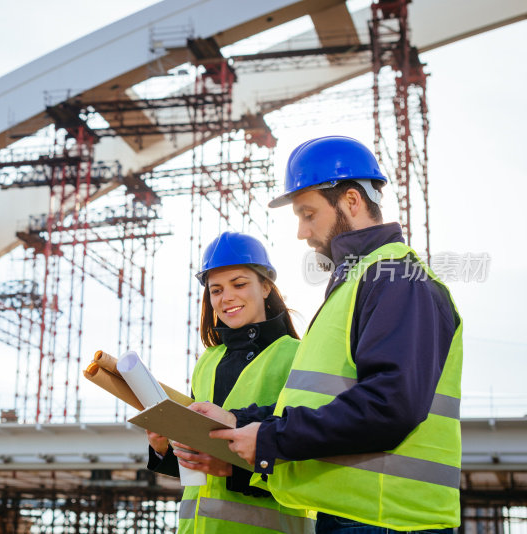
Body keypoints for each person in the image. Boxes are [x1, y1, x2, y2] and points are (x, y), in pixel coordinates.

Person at [192, 136, 462, 533]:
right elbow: (327, 402)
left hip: (388, 520)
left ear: (351, 201)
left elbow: (391, 404)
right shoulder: (359, 283)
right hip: (358, 515)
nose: (303, 232)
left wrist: (271, 440)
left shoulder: (397, 278)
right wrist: (237, 420)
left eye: (308, 214)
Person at [146, 231, 314, 534]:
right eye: (216, 290)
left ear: (265, 287)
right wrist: (164, 448)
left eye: (239, 284)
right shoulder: (207, 361)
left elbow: (310, 453)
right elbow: (198, 467)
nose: (227, 298)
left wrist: (233, 471)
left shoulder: (298, 356)